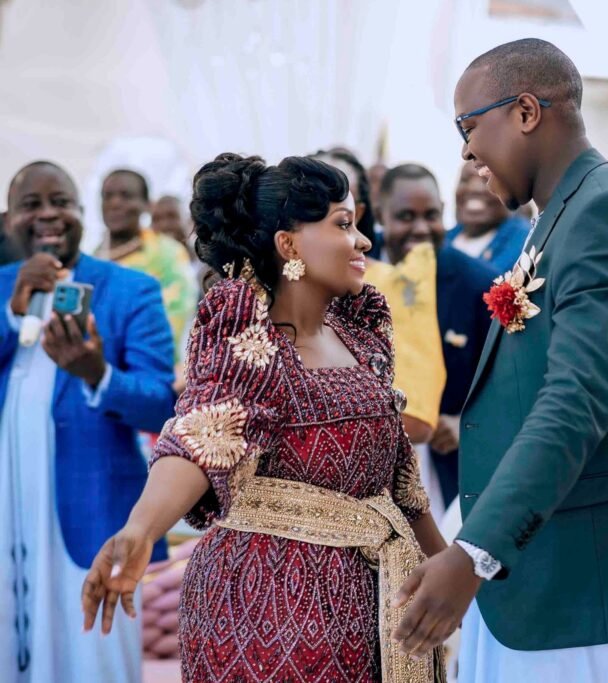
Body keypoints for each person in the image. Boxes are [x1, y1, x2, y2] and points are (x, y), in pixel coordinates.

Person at [391, 38, 608, 681]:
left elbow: (577, 399)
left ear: (526, 112)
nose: (466, 152)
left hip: (596, 576)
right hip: (550, 567)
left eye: (469, 128)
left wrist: (474, 552)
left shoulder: (607, 210)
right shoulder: (563, 214)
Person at [81, 154, 448, 682]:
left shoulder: (359, 330)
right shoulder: (247, 332)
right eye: (344, 224)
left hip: (371, 599)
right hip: (268, 606)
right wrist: (140, 529)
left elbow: (400, 480)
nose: (364, 241)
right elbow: (203, 437)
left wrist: (450, 570)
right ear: (289, 245)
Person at [0, 161, 176, 682]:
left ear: (82, 212)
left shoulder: (131, 289)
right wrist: (13, 313)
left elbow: (161, 403)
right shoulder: (3, 288)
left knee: (92, 661)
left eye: (61, 202)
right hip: (9, 509)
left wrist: (99, 375)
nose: (48, 214)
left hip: (94, 512)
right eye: (31, 205)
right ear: (9, 220)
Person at [375, 163, 497, 508]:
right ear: (381, 215)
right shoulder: (353, 272)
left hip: (446, 470)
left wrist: (464, 425)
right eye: (405, 216)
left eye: (431, 215)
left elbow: (502, 379)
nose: (420, 229)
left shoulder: (478, 284)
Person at [99, 170, 198, 365]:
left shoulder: (167, 253)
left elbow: (174, 319)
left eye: (126, 196)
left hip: (150, 365)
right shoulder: (93, 256)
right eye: (107, 196)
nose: (115, 203)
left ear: (146, 204)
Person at [446, 160, 530, 273]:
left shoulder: (524, 239)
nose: (474, 188)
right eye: (465, 180)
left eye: (486, 180)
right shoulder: (444, 239)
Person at [313, 146, 383, 260]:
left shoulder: (378, 272)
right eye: (314, 205)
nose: (324, 217)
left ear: (357, 213)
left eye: (340, 209)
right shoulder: (284, 266)